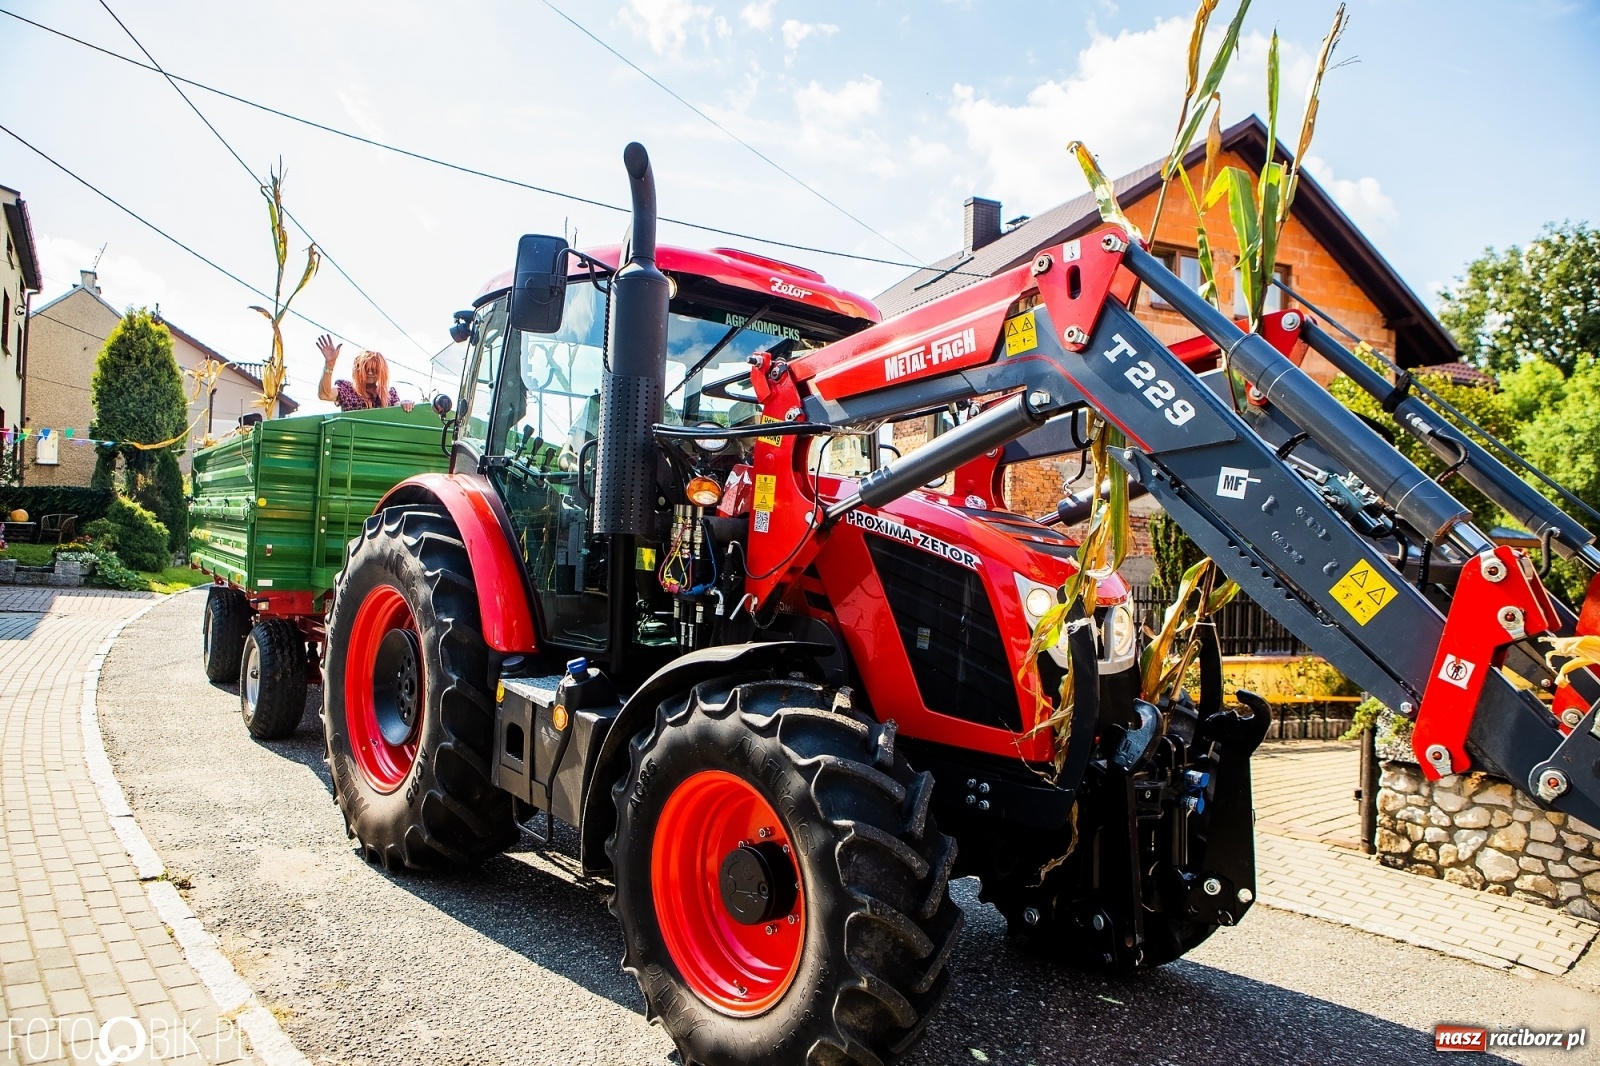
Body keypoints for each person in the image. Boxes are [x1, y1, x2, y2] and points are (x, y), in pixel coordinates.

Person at [316, 335, 413, 411]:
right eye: (366, 369)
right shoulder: (346, 389)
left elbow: (398, 410)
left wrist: (405, 404)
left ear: (381, 372)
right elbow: (324, 395)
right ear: (358, 369)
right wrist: (329, 364)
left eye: (375, 370)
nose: (370, 373)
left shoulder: (390, 393)